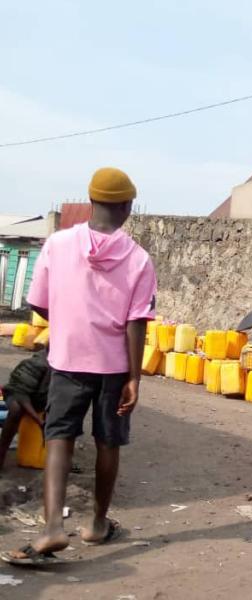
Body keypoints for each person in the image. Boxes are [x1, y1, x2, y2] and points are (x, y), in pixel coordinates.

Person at [2, 167, 157, 567]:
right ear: (126, 206)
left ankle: (52, 526)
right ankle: (97, 524)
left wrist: (70, 320)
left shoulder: (57, 244)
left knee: (59, 437)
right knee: (109, 442)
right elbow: (136, 321)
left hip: (67, 360)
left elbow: (39, 302)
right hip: (114, 367)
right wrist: (134, 378)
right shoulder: (139, 259)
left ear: (91, 201)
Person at [0, 347, 51, 470]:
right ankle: (1, 453)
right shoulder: (36, 364)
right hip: (16, 396)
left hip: (39, 400)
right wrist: (38, 420)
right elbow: (20, 395)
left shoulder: (65, 366)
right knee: (16, 410)